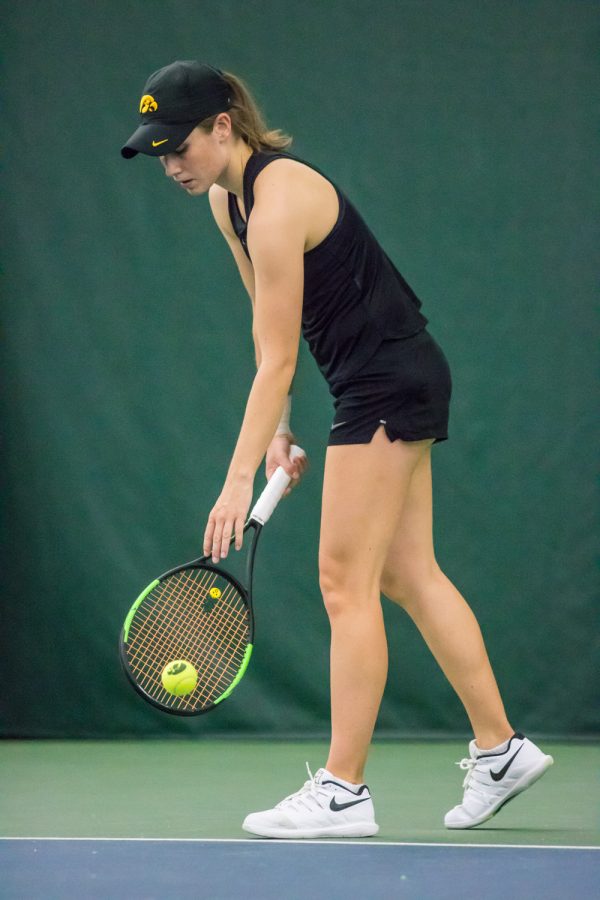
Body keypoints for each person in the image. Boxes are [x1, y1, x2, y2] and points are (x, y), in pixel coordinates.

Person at [121, 60, 553, 838]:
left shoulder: (282, 199)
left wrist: (236, 478)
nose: (170, 164)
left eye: (177, 145)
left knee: (342, 582)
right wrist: (281, 428)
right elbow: (270, 335)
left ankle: (344, 790)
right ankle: (501, 750)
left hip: (387, 383)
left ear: (223, 125)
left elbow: (283, 358)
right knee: (406, 572)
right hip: (391, 378)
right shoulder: (229, 202)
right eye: (157, 153)